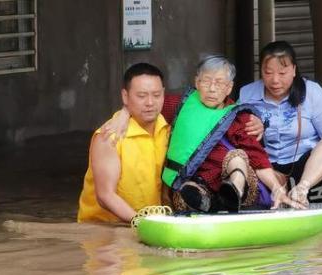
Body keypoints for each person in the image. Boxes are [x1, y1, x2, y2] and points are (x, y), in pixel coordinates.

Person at [103, 55, 300, 212]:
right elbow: (149, 105)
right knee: (186, 195)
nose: (212, 89)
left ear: (229, 88)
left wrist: (277, 189)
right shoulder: (181, 104)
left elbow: (257, 157)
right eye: (206, 82)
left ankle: (233, 194)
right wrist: (124, 112)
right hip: (193, 183)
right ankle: (211, 205)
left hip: (232, 181)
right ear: (197, 83)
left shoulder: (239, 117)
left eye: (219, 83)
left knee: (237, 157)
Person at [240, 41, 322, 208]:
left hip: (308, 171)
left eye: (282, 73)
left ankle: (301, 190)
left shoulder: (312, 92)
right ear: (261, 71)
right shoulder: (247, 93)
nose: (275, 80)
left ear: (294, 70)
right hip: (266, 171)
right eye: (268, 73)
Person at [77, 63, 169, 223]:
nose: (150, 102)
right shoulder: (110, 136)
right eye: (141, 96)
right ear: (125, 96)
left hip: (152, 224)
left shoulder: (168, 129)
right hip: (106, 230)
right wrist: (142, 223)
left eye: (156, 95)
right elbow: (105, 196)